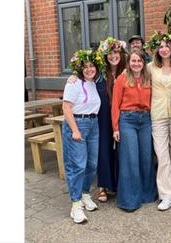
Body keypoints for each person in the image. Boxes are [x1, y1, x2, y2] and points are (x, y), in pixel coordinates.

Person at [68, 37, 127, 203]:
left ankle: (119, 184)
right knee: (103, 150)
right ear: (105, 56)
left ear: (121, 54)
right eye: (110, 53)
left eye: (116, 52)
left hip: (123, 116)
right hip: (101, 116)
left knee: (122, 150)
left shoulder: (126, 70)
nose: (113, 56)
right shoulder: (101, 73)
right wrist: (73, 76)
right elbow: (85, 76)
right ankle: (103, 186)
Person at [111, 49, 157, 211]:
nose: (136, 64)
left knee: (146, 158)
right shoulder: (122, 79)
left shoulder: (148, 78)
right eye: (133, 61)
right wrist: (115, 127)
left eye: (139, 61)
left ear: (143, 63)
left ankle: (147, 195)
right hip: (127, 120)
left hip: (145, 120)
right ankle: (129, 200)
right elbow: (115, 104)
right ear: (128, 63)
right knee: (130, 159)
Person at [144, 30, 171, 211]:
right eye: (160, 46)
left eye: (167, 45)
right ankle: (167, 196)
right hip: (158, 116)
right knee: (162, 155)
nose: (163, 49)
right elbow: (129, 71)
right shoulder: (150, 67)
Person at [62, 48, 102, 223]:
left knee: (92, 163)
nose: (89, 69)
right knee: (78, 165)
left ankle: (85, 194)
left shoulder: (94, 83)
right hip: (77, 124)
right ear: (79, 68)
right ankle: (75, 204)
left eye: (92, 66)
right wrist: (75, 130)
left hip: (94, 124)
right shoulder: (73, 83)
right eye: (85, 66)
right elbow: (66, 108)